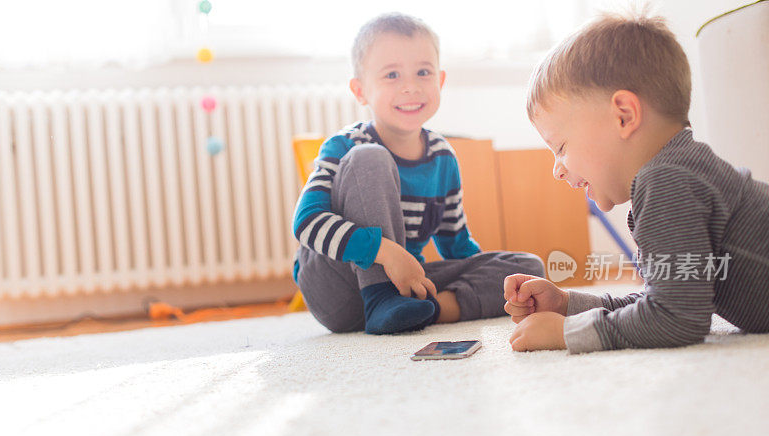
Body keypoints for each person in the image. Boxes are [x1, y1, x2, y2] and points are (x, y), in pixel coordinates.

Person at [504, 11, 769, 353]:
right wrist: (567, 304)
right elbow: (661, 298)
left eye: (561, 147)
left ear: (624, 116)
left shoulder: (667, 182)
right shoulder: (676, 171)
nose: (557, 169)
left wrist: (567, 332)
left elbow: (674, 317)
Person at [292, 12, 544, 334]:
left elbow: (457, 247)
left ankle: (432, 309)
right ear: (360, 90)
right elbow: (305, 223)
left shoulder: (442, 157)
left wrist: (485, 270)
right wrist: (387, 253)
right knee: (370, 158)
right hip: (336, 288)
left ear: (439, 81)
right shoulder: (347, 145)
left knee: (526, 271)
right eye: (392, 75)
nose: (410, 87)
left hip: (404, 286)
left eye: (422, 72)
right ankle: (382, 298)